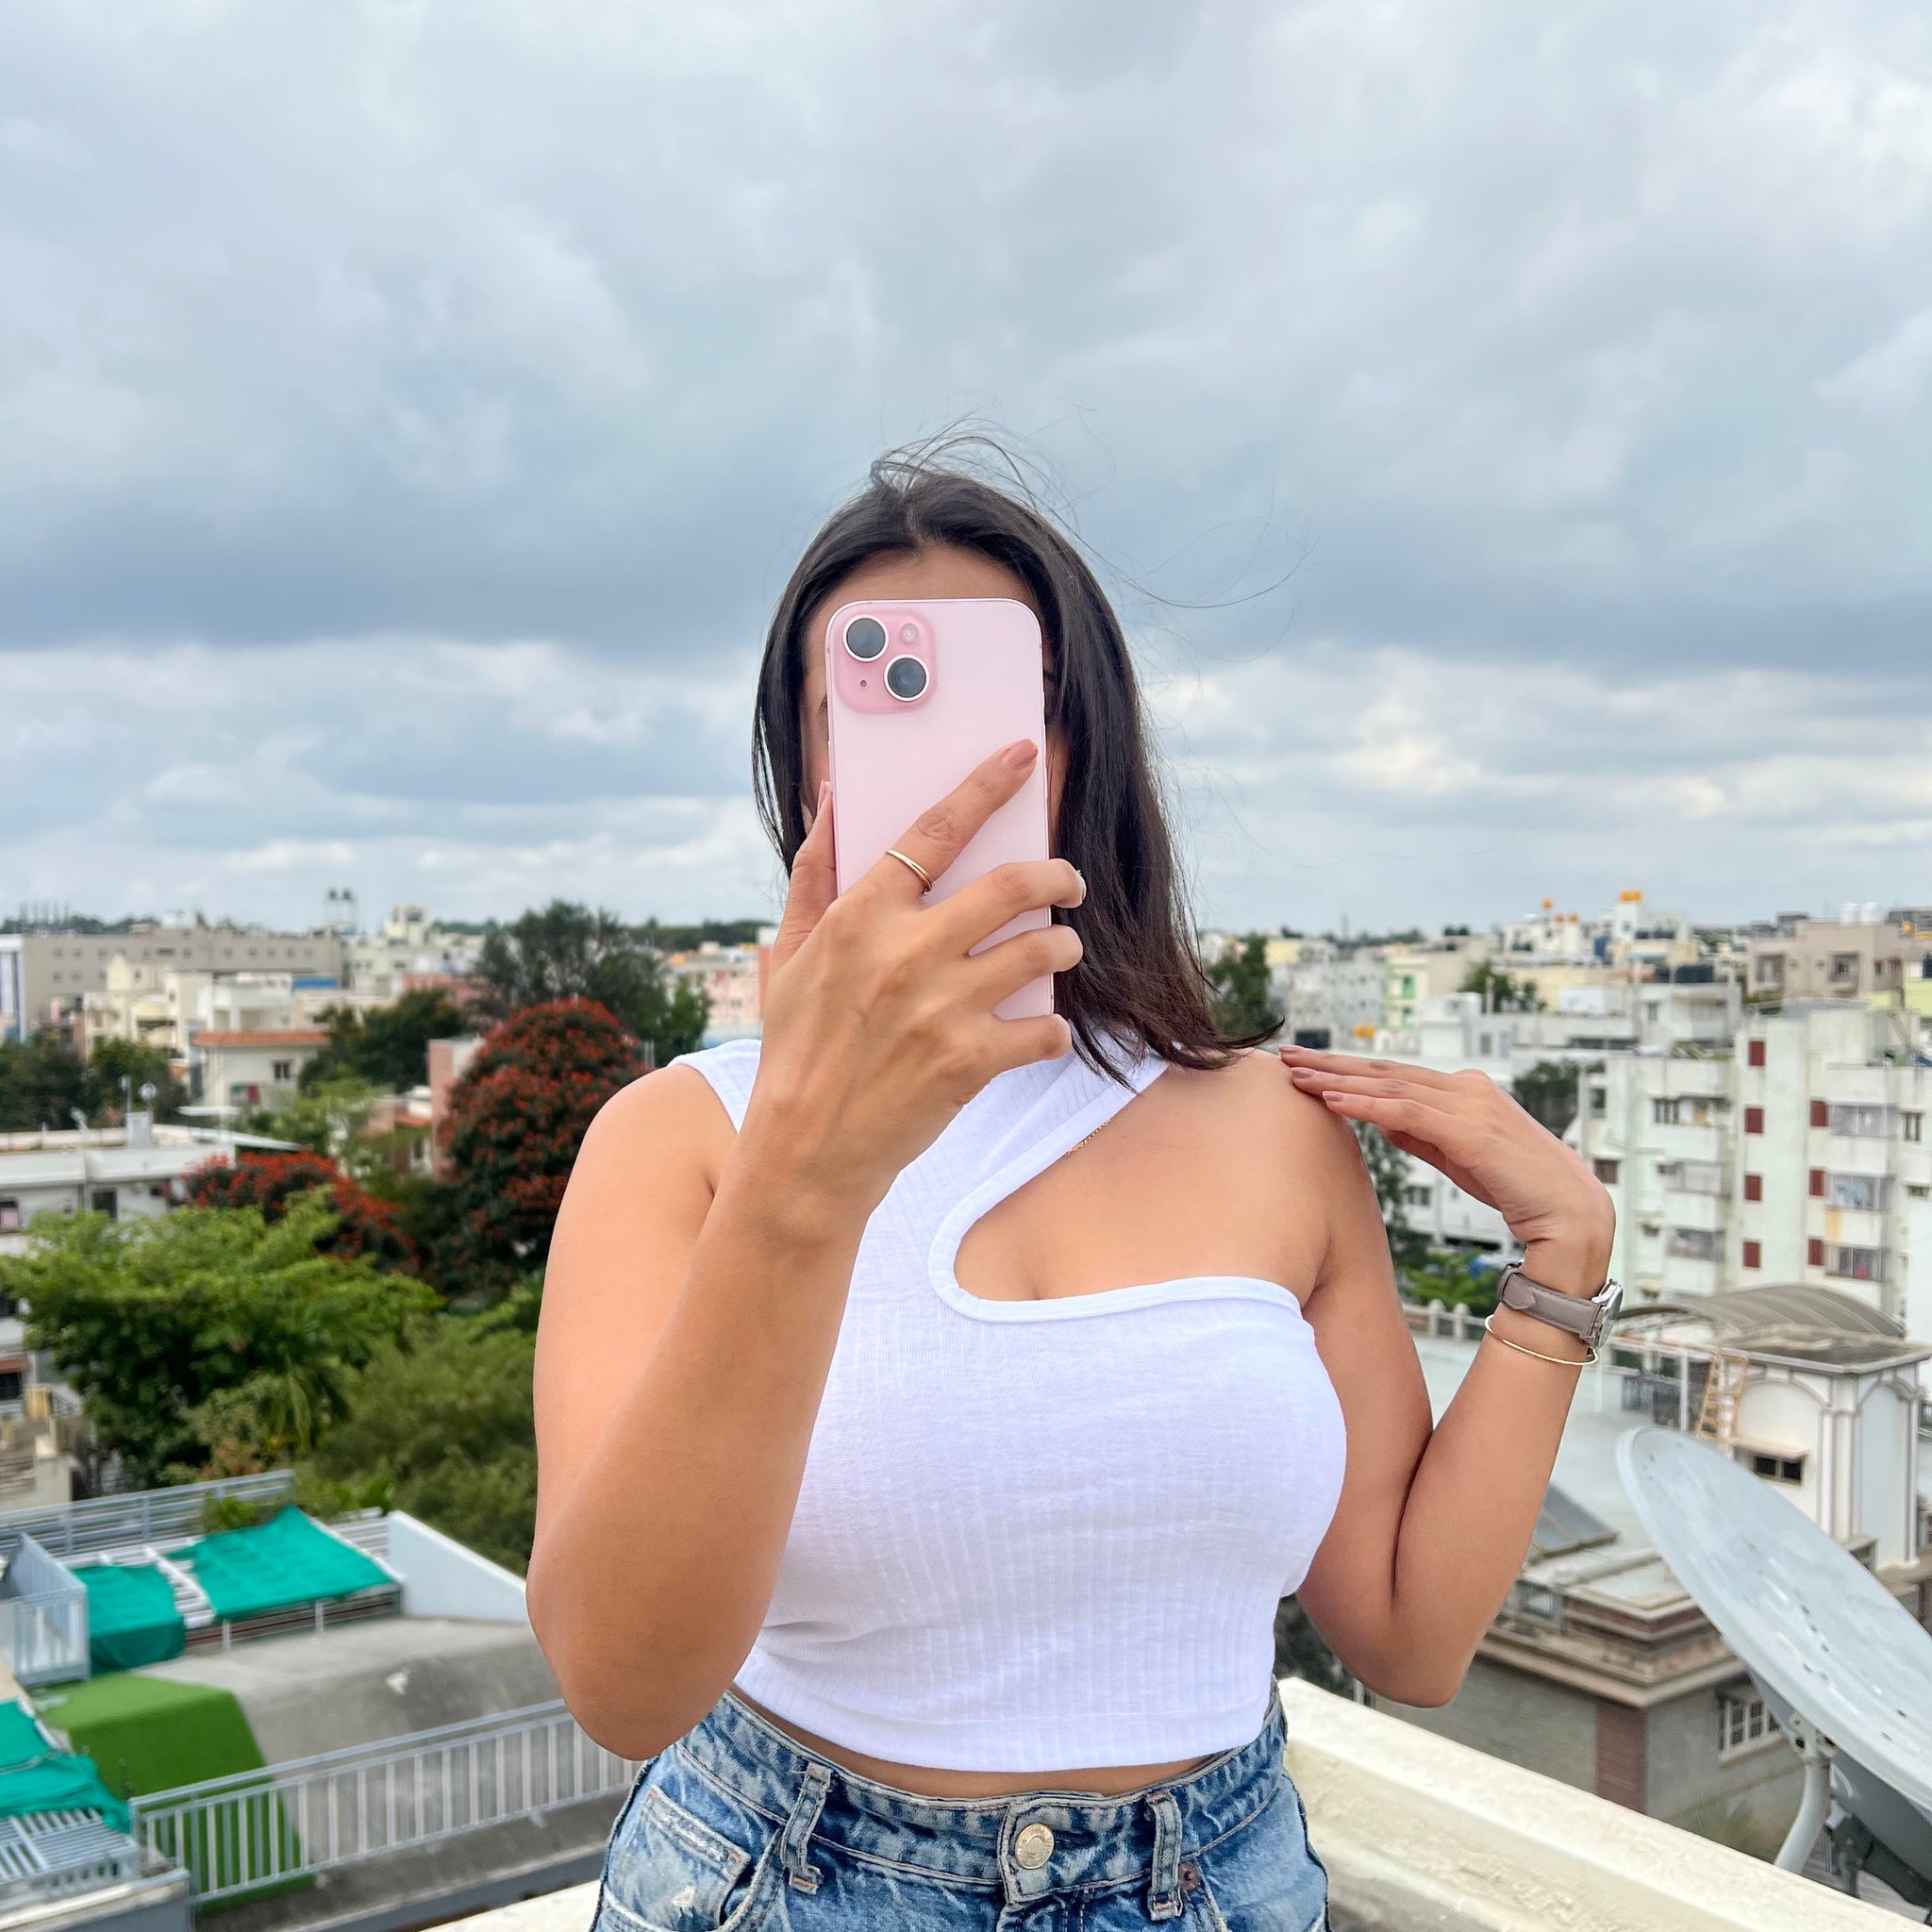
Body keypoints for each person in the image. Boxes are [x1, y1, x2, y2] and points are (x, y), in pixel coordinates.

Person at [531, 452, 1617, 1930]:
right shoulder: (680, 1140)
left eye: (1005, 702)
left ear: (1083, 742)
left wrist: (1563, 1257)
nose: (957, 762)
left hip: (1218, 1882)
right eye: (871, 698)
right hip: (787, 1883)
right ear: (807, 769)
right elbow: (623, 1681)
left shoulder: (1273, 1127)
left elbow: (1412, 1635)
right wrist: (804, 1167)